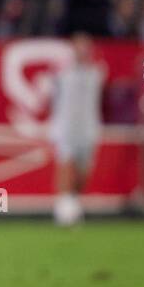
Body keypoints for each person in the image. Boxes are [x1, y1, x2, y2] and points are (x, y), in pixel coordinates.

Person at [50, 32, 105, 226]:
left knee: (83, 172)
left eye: (85, 47)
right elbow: (54, 97)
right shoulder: (63, 73)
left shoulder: (96, 73)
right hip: (66, 128)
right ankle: (63, 206)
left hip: (88, 128)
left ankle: (73, 201)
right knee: (66, 165)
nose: (82, 51)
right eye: (79, 47)